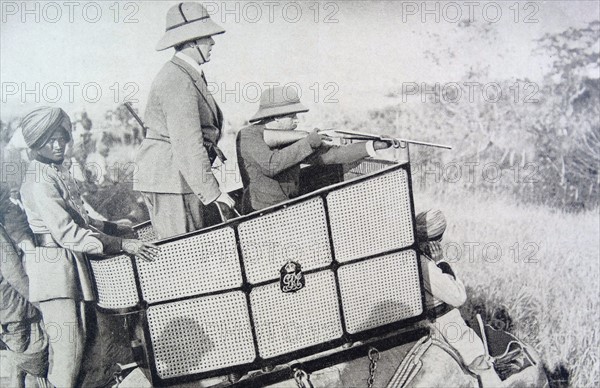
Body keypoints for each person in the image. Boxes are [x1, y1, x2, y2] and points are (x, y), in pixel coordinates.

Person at [19, 106, 160, 388]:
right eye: (50, 140)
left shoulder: (54, 172)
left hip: (69, 267)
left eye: (62, 137)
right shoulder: (38, 181)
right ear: (36, 144)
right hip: (55, 271)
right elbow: (68, 232)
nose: (59, 144)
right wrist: (121, 244)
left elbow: (81, 218)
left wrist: (113, 227)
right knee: (68, 355)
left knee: (87, 350)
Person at [134, 2, 235, 239]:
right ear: (190, 42)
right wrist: (214, 193)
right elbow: (188, 143)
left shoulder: (186, 74)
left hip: (178, 178)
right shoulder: (177, 79)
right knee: (184, 255)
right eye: (206, 36)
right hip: (171, 180)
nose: (212, 42)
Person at [236, 86, 391, 213]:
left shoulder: (289, 136)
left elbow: (331, 155)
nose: (297, 120)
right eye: (292, 116)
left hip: (289, 207)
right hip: (261, 213)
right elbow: (271, 165)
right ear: (277, 116)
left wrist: (373, 145)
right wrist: (308, 143)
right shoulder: (248, 135)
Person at [416, 209, 504, 387]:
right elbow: (458, 298)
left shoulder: (408, 256)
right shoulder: (426, 265)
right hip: (441, 323)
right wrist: (441, 262)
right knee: (480, 358)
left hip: (411, 322)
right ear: (437, 239)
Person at [0, 223, 50, 388]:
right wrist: (39, 304)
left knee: (18, 364)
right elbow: (15, 274)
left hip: (6, 314)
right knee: (37, 363)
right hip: (16, 310)